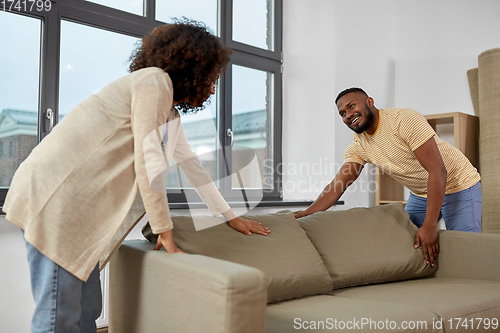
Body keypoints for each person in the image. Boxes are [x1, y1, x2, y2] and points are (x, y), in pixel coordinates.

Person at [2, 19, 269, 333]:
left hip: (78, 210)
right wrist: (164, 230)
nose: (213, 86)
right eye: (212, 76)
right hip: (56, 200)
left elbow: (193, 167)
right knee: (59, 314)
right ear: (193, 69)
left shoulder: (169, 113)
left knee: (87, 309)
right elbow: (149, 158)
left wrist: (229, 215)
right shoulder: (153, 83)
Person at [294, 87, 481, 267]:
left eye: (351, 106)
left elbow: (438, 171)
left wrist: (430, 226)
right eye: (342, 113)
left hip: (459, 184)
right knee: (407, 241)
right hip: (421, 192)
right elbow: (338, 186)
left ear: (369, 102)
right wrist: (308, 213)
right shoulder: (359, 146)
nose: (348, 114)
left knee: (465, 251)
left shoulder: (403, 120)